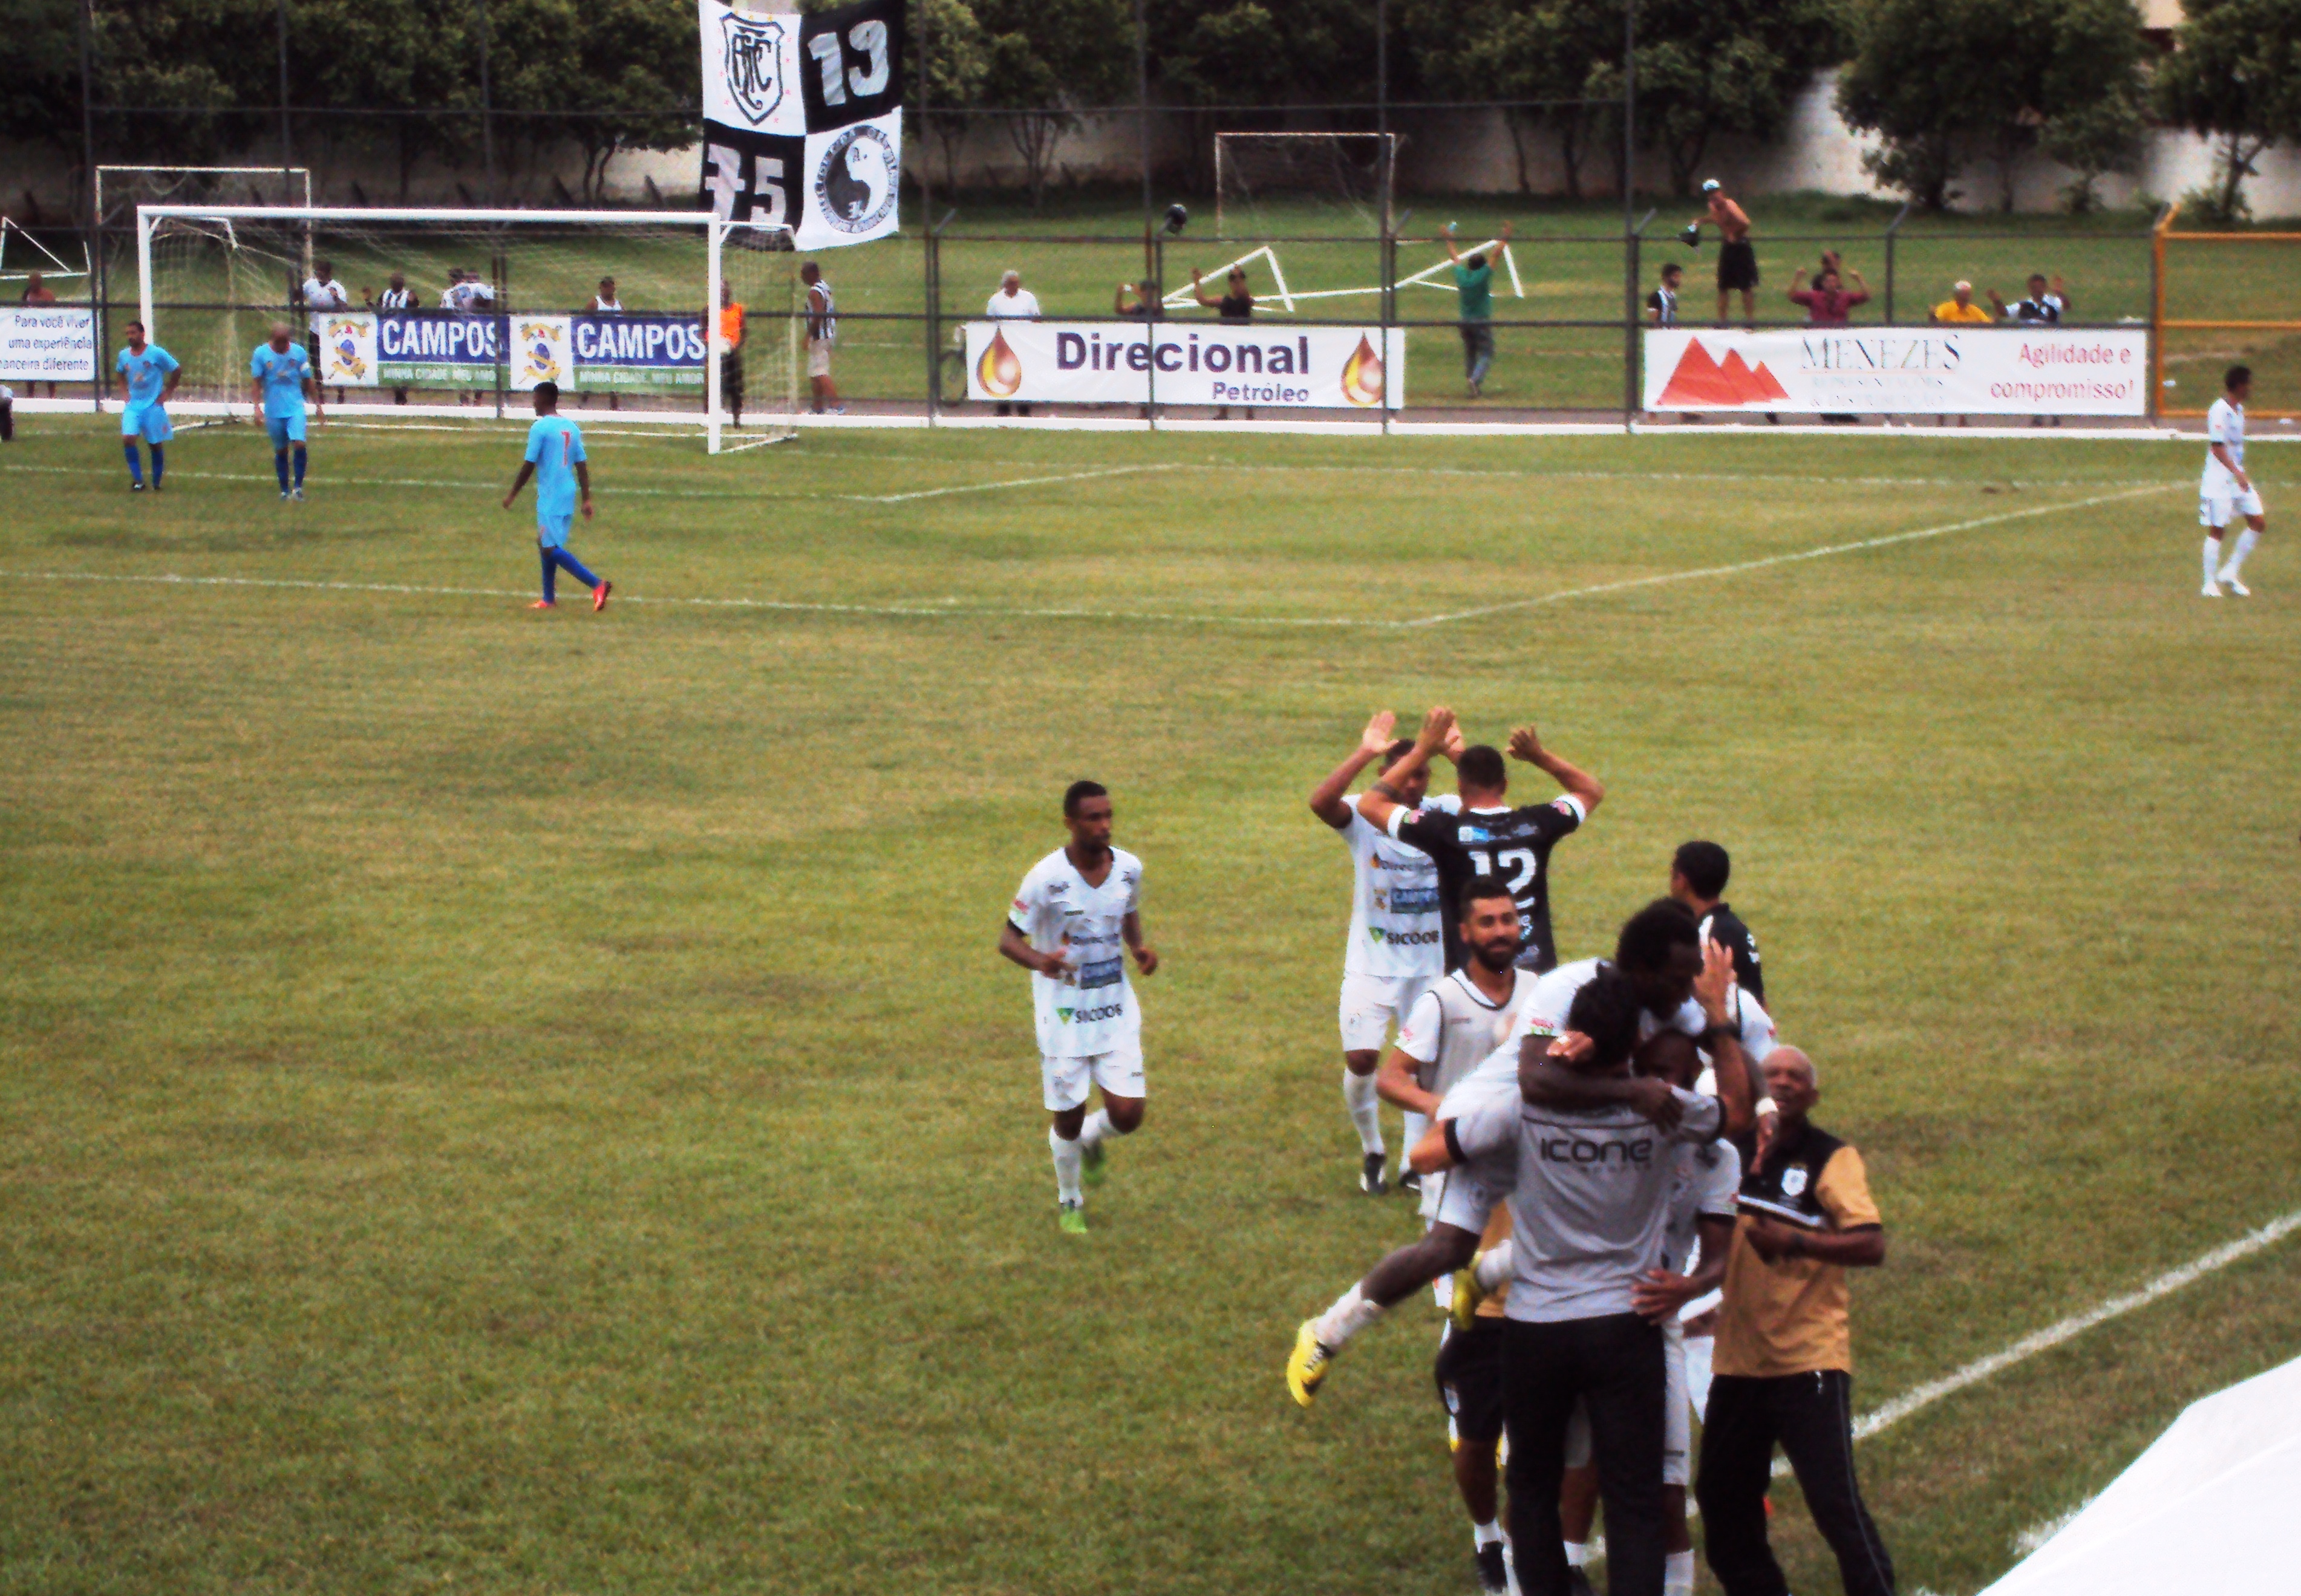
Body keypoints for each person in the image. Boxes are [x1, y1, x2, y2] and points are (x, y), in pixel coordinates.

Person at [1285, 900, 1766, 1407]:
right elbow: (1536, 1080)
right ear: (1642, 969)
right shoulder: (1569, 986)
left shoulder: (1683, 1004)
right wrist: (1632, 1091)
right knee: (1445, 1248)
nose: (1687, 990)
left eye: (1695, 978)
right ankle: (1326, 1333)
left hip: (1572, 1128)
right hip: (1496, 1120)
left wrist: (1718, 1020)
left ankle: (1488, 1276)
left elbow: (1742, 1100)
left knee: (1593, 1222)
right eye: (1679, 978)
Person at [1408, 969, 1734, 1596]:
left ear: (1573, 1035)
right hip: (1627, 1321)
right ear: (1633, 1043)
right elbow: (1737, 1111)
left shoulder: (1521, 1103)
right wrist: (1716, 1019)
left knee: (1531, 1488)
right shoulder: (1670, 1109)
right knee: (1635, 1496)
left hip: (1536, 1324)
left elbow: (1435, 1150)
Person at [1380, 878, 1534, 1595]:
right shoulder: (1442, 1000)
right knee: (1471, 1324)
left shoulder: (1539, 991)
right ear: (1466, 931)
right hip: (1457, 1192)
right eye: (1489, 921)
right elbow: (1391, 1075)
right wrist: (1444, 1106)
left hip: (1530, 1185)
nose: (1503, 929)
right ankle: (1487, 1534)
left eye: (1509, 917)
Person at [1696, 1047, 1895, 1596]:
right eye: (1772, 1074)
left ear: (1812, 1096)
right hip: (1737, 1362)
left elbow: (1871, 1243)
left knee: (1834, 1501)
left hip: (1808, 1359)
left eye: (1796, 1077)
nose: (1782, 1082)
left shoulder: (1830, 1157)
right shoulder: (1725, 1153)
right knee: (1722, 1498)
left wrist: (1795, 1240)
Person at [1310, 711, 1462, 1195]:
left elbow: (1493, 803)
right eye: (1410, 772)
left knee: (1422, 1065)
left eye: (1424, 773)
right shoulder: (1364, 815)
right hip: (1372, 966)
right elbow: (1320, 801)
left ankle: (1412, 1164)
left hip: (1432, 969)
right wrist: (1367, 751)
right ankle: (1373, 1147)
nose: (1417, 783)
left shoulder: (1447, 812)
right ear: (1387, 775)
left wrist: (1455, 750)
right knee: (1361, 1059)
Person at [999, 781, 1159, 1234]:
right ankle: (1070, 1198)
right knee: (1067, 1116)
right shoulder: (1046, 878)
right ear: (1070, 822)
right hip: (1064, 1018)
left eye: (1108, 815)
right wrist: (1041, 961)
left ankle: (1094, 1138)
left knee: (1129, 1115)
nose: (1104, 825)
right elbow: (1008, 940)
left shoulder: (1128, 867)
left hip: (1114, 1011)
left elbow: (1126, 908)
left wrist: (1138, 946)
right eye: (1093, 817)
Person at [1353, 706, 1604, 975]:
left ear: (1460, 787)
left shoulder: (1443, 832)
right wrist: (1539, 756)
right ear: (1505, 785)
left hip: (1472, 981)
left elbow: (1370, 804)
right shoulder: (1537, 825)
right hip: (1534, 977)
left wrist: (1422, 751)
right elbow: (1590, 791)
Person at [500, 380, 609, 611]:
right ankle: (548, 598)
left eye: (535, 399)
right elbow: (581, 464)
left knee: (550, 548)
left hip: (550, 495)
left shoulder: (540, 428)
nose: (533, 404)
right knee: (546, 544)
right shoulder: (571, 427)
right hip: (567, 492)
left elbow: (528, 465)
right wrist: (587, 499)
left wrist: (512, 494)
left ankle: (597, 584)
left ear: (545, 399)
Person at [1668, 841, 1763, 1006]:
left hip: (1726, 1029)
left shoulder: (1705, 936)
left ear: (1682, 882)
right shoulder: (1736, 928)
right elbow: (1760, 1001)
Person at [2202, 364, 2266, 598]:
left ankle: (2229, 571)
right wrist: (2237, 473)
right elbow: (2217, 447)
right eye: (2248, 384)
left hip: (2237, 478)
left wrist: (2239, 473)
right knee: (2217, 530)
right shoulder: (2219, 410)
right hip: (2220, 480)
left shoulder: (2239, 411)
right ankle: (2209, 584)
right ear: (2239, 386)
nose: (2250, 389)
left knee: (2258, 521)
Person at [1442, 222, 1512, 397]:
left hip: (1464, 320)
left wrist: (1448, 239)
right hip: (1480, 319)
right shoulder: (1483, 276)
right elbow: (1496, 254)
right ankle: (1475, 379)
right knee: (1487, 352)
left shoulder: (1462, 276)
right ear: (1482, 266)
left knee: (1470, 352)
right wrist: (1505, 237)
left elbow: (1454, 257)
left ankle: (1470, 380)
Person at [249, 321, 315, 501]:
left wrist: (318, 405)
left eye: (286, 342)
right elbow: (256, 382)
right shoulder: (261, 354)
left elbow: (308, 380)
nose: (284, 346)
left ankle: (298, 488)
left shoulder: (299, 353)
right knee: (281, 450)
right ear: (273, 340)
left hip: (295, 407)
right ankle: (284, 490)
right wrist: (256, 408)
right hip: (273, 410)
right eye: (280, 342)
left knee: (299, 443)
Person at [113, 320, 180, 492]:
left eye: (133, 333)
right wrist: (124, 393)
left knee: (155, 444)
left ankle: (157, 482)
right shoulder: (124, 355)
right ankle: (138, 481)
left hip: (153, 406)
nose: (130, 337)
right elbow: (120, 373)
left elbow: (176, 369)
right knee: (128, 438)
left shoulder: (156, 354)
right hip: (133, 406)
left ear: (142, 334)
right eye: (128, 334)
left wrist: (167, 393)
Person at [1190, 264, 1257, 419]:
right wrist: (1197, 282)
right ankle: (1224, 411)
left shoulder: (1246, 299)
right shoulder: (1224, 300)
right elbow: (1203, 300)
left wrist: (1239, 276)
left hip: (1243, 344)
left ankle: (1249, 411)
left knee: (1246, 377)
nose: (1235, 282)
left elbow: (1244, 294)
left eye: (1238, 279)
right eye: (1232, 279)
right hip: (1227, 345)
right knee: (1225, 376)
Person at [1692, 180, 1757, 327]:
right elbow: (1716, 219)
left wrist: (1735, 235)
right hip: (1728, 247)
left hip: (1741, 247)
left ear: (1721, 192)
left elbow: (1746, 223)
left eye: (1714, 192)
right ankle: (1722, 322)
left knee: (1745, 285)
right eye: (1709, 194)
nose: (1713, 197)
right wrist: (1700, 221)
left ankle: (1750, 321)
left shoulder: (1730, 206)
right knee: (1723, 285)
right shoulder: (1713, 207)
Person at [985, 270, 1040, 418]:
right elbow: (990, 321)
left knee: (1024, 376)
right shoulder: (995, 301)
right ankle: (1003, 409)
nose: (1014, 286)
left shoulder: (1029, 298)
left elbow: (1036, 319)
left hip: (1024, 343)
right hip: (1003, 343)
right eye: (1011, 283)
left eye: (1016, 283)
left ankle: (1024, 410)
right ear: (1005, 284)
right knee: (1003, 375)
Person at [302, 258, 348, 406]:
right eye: (317, 272)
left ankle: (340, 392)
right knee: (316, 362)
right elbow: (298, 296)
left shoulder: (337, 288)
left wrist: (336, 298)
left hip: (332, 332)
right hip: (315, 329)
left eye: (322, 273)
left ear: (329, 274)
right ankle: (320, 393)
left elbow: (344, 308)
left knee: (336, 361)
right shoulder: (310, 285)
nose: (319, 275)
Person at [801, 261, 840, 415]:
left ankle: (837, 405)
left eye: (804, 274)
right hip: (828, 334)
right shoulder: (825, 287)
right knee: (815, 371)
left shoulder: (814, 292)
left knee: (821, 371)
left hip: (820, 336)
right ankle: (817, 407)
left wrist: (808, 336)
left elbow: (817, 315)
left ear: (812, 274)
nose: (802, 277)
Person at [369, 272, 415, 405]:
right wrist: (369, 303)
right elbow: (378, 309)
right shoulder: (385, 295)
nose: (396, 285)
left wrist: (413, 303)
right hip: (388, 333)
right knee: (392, 361)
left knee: (405, 361)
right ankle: (398, 392)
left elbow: (416, 310)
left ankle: (403, 390)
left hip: (405, 333)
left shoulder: (407, 295)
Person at [584, 277, 625, 410]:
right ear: (601, 288)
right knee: (593, 373)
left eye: (610, 287)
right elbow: (584, 320)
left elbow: (626, 321)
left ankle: (614, 406)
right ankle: (584, 400)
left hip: (614, 344)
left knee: (613, 375)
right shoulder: (596, 303)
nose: (608, 290)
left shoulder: (618, 305)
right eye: (605, 287)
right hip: (598, 343)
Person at [1787, 263, 1869, 327]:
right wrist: (1797, 278)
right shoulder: (1814, 296)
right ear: (1823, 283)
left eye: (1834, 281)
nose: (1831, 284)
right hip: (1819, 333)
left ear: (1838, 283)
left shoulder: (1845, 297)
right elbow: (1792, 295)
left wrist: (1859, 279)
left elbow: (1866, 296)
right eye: (1828, 281)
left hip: (1840, 333)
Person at [21, 272, 59, 397]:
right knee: (31, 364)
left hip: (46, 335)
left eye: (36, 282)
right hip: (32, 336)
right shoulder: (27, 294)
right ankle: (30, 393)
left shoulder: (48, 295)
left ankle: (52, 393)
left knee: (50, 364)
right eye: (32, 282)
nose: (34, 285)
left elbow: (54, 312)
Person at [716, 279, 748, 429]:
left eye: (726, 289)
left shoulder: (738, 309)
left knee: (735, 387)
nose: (724, 293)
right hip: (717, 354)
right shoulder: (710, 309)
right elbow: (702, 331)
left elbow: (744, 331)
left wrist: (737, 346)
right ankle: (711, 417)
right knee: (715, 386)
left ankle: (737, 419)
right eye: (721, 290)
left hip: (733, 353)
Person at [1647, 262, 1683, 327]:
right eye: (1675, 276)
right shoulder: (1656, 297)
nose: (1678, 280)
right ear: (1667, 277)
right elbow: (1652, 320)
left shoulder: (1673, 296)